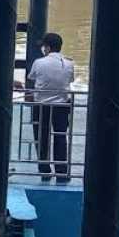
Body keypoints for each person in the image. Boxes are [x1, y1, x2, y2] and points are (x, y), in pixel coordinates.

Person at [27, 33, 75, 182]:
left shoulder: (39, 62)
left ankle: (44, 170)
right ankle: (61, 172)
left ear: (47, 47)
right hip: (62, 105)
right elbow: (71, 79)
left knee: (41, 137)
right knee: (61, 137)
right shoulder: (69, 63)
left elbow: (31, 77)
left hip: (41, 106)